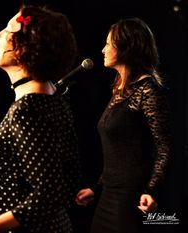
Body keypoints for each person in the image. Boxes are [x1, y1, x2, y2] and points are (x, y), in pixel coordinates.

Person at [0, 4, 80, 233]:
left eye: (7, 30)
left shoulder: (29, 109)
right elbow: (68, 180)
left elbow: (49, 194)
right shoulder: (54, 100)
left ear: (24, 48)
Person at [75, 17, 172, 233]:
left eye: (108, 44)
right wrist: (96, 188)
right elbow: (120, 153)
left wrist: (151, 190)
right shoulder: (120, 89)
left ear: (127, 47)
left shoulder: (148, 91)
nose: (103, 50)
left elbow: (164, 147)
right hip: (108, 196)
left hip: (129, 199)